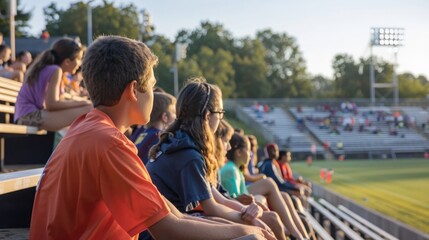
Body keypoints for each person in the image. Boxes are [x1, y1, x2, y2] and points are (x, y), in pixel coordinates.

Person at [30, 36, 271, 240]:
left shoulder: (90, 130)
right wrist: (245, 232)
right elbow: (167, 229)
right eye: (152, 86)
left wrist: (240, 228)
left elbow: (173, 213)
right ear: (134, 90)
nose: (154, 95)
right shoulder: (108, 144)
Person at [146, 78, 275, 240]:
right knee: (254, 236)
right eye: (220, 114)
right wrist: (253, 223)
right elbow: (211, 208)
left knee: (259, 225)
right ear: (208, 116)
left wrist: (247, 213)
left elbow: (216, 200)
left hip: (170, 224)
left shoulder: (179, 143)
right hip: (160, 233)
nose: (220, 120)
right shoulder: (188, 154)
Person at [222, 132, 311, 240]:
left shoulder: (234, 169)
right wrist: (256, 203)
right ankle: (297, 235)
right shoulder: (230, 170)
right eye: (248, 150)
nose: (250, 154)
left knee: (282, 196)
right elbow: (235, 200)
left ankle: (299, 235)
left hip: (243, 209)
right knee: (269, 189)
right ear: (239, 152)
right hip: (239, 213)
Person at [14, 38, 92, 131]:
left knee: (88, 108)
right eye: (79, 59)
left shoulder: (53, 69)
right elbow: (51, 104)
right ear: (67, 61)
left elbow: (56, 102)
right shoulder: (56, 70)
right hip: (29, 116)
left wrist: (80, 102)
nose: (80, 64)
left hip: (28, 115)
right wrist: (82, 102)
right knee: (89, 108)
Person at [134, 92, 176, 164]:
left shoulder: (143, 134)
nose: (176, 117)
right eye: (174, 112)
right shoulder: (159, 138)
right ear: (165, 117)